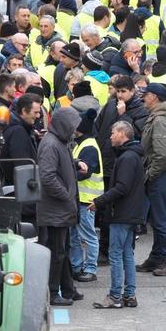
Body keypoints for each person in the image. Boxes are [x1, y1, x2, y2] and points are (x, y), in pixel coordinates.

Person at [89, 121, 145, 309]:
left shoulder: (127, 158)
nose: (110, 136)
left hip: (122, 214)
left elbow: (122, 187)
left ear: (122, 134)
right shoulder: (131, 156)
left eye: (113, 133)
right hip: (130, 213)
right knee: (127, 254)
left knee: (116, 254)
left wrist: (99, 201)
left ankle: (115, 296)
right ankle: (129, 295)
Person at [38, 106, 82, 306]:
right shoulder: (51, 144)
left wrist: (74, 162)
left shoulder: (59, 142)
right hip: (55, 208)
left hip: (61, 207)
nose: (74, 131)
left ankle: (68, 288)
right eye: (72, 127)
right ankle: (53, 292)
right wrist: (65, 196)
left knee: (62, 250)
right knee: (57, 252)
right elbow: (47, 176)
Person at [138, 84, 166, 277]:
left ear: (154, 97)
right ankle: (157, 257)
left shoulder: (161, 120)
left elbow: (162, 154)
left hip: (162, 174)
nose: (143, 98)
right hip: (161, 172)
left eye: (145, 95)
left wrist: (150, 174)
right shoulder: (157, 116)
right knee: (157, 218)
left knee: (161, 219)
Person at [70, 111, 102, 283]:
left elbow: (85, 173)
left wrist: (68, 171)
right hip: (79, 199)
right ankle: (77, 267)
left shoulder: (88, 146)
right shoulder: (81, 143)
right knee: (75, 234)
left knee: (88, 235)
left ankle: (90, 268)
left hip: (86, 200)